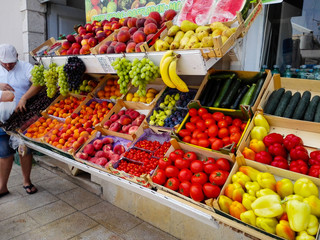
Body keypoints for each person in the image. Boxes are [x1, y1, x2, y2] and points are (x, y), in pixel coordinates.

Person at [0, 44, 43, 197]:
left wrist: (24, 97)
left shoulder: (25, 67)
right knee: (4, 152)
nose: (7, 65)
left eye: (11, 62)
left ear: (17, 57)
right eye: (4, 63)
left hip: (21, 118)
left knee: (25, 150)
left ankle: (26, 181)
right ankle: (2, 186)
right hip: (1, 119)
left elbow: (38, 82)